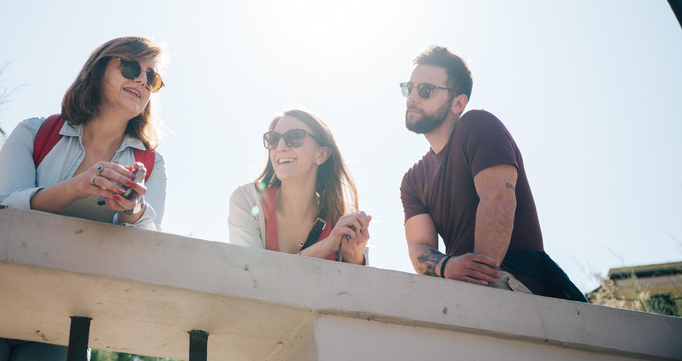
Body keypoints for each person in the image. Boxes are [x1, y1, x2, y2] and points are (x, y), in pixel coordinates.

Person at [0, 36, 169, 361]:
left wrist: (132, 209)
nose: (140, 80)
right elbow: (0, 211)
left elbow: (150, 247)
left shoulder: (152, 164)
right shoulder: (32, 133)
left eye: (152, 77)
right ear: (97, 68)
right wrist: (77, 187)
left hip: (65, 322)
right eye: (131, 66)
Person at [400, 46, 585, 300]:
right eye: (408, 88)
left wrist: (477, 288)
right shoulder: (412, 180)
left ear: (458, 102)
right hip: (460, 287)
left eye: (425, 90)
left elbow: (499, 200)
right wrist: (447, 266)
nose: (412, 97)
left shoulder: (477, 125)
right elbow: (419, 247)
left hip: (512, 284)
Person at [229, 109, 370, 264]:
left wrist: (355, 258)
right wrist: (326, 246)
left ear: (321, 155)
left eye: (294, 137)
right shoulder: (247, 201)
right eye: (274, 140)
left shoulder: (339, 223)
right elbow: (252, 275)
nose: (280, 147)